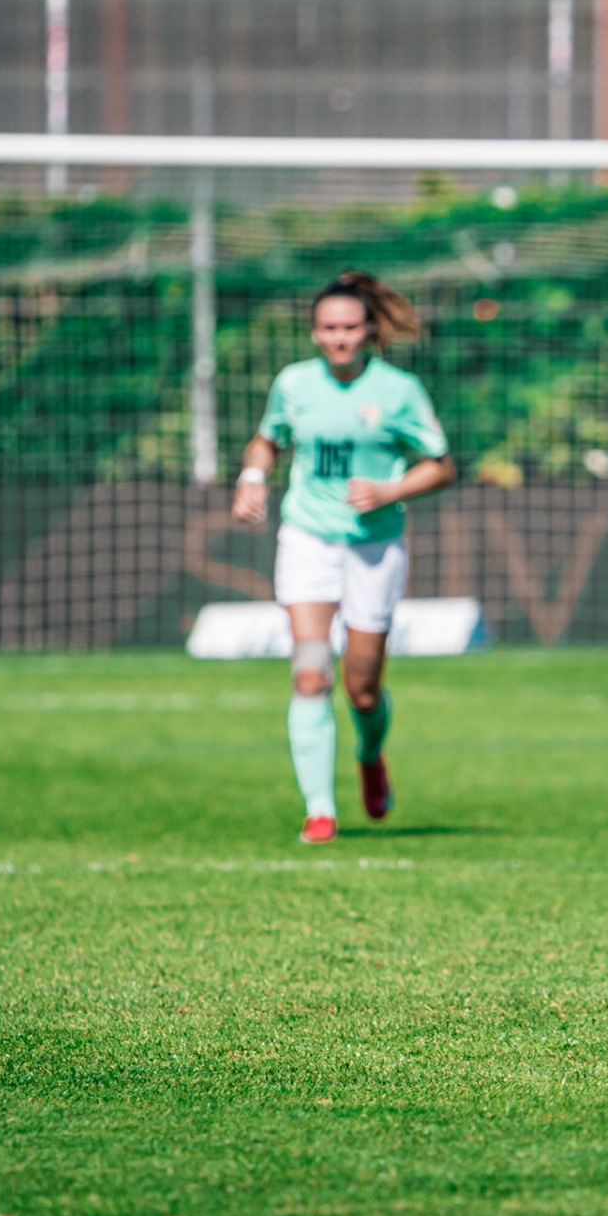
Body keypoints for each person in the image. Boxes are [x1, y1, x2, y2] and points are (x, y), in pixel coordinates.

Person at [232, 271, 456, 845]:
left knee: (360, 688)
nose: (339, 339)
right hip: (307, 538)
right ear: (313, 333)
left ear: (370, 330)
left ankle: (371, 752)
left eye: (350, 328)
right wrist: (254, 476)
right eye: (329, 328)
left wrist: (389, 490)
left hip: (374, 546)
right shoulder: (294, 383)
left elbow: (440, 464)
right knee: (310, 674)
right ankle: (320, 810)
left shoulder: (398, 391)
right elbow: (268, 438)